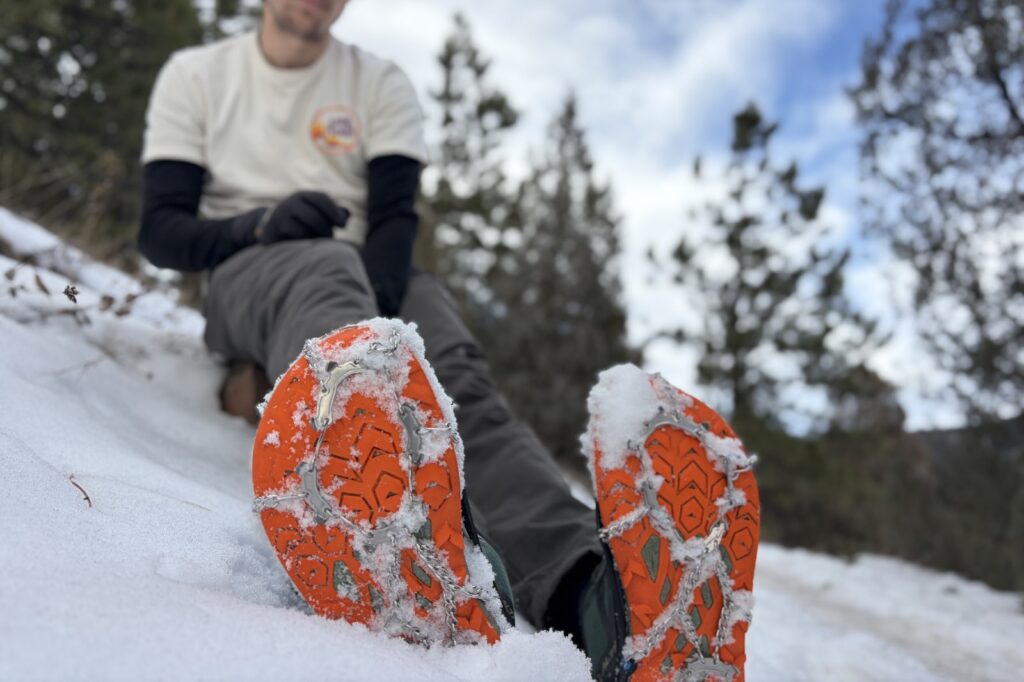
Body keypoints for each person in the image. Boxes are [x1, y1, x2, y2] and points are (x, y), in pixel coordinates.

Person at [138, 1, 760, 680]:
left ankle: (598, 602)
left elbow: (396, 215)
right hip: (252, 268)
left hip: (375, 270)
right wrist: (255, 227)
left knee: (462, 389)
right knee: (325, 274)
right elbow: (162, 232)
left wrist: (385, 300)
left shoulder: (377, 82)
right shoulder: (198, 75)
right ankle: (381, 492)